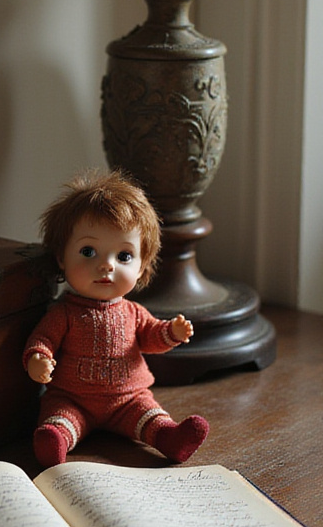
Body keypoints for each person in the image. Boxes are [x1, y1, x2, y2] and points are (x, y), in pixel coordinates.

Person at [23, 170, 209, 466]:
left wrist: (171, 332)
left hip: (128, 398)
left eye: (123, 256)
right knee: (59, 418)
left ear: (141, 265)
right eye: (88, 251)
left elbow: (150, 336)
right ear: (61, 257)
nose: (106, 265)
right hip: (73, 397)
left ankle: (170, 438)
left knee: (148, 413)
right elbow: (42, 340)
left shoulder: (133, 312)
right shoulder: (64, 313)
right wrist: (38, 360)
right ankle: (55, 441)